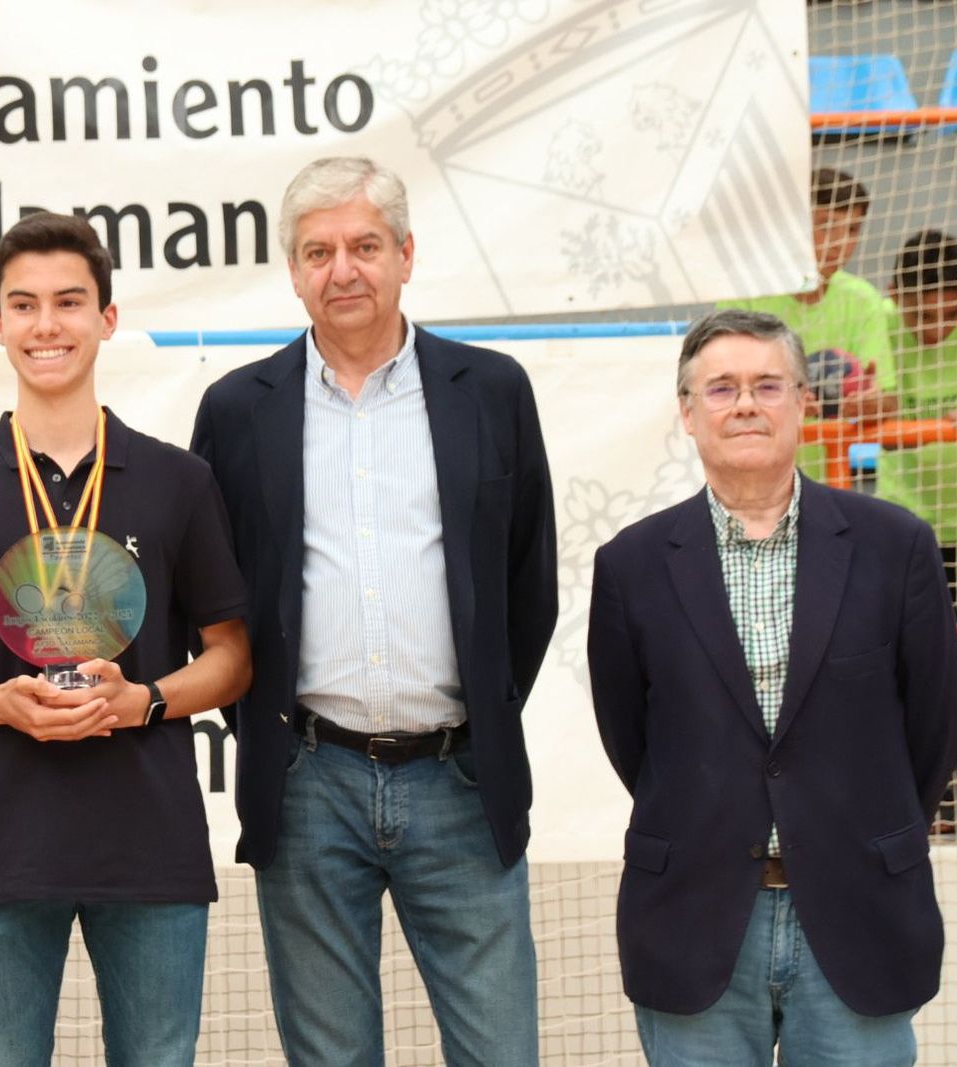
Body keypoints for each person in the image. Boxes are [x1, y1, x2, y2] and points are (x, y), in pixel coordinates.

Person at [191, 156, 557, 1066]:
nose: (342, 270)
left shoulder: (493, 390)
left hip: (462, 779)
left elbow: (530, 583)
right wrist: (272, 732)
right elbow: (219, 601)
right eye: (318, 251)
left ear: (405, 254)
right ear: (293, 270)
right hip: (310, 780)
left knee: (500, 1050)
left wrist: (481, 714)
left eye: (363, 246)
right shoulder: (237, 409)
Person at [0, 212, 252, 1067]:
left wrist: (144, 700)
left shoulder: (179, 483)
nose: (48, 326)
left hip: (150, 848)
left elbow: (232, 655)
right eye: (25, 304)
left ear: (107, 319)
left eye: (70, 302)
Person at [587, 308, 957, 1066]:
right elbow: (633, 738)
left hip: (859, 911)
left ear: (803, 402)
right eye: (721, 389)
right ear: (688, 415)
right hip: (695, 917)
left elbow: (935, 727)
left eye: (767, 384)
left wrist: (852, 828)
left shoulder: (897, 547)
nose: (747, 404)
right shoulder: (630, 564)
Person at [876, 230, 957, 830]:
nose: (935, 323)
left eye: (948, 309)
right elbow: (858, 406)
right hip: (916, 521)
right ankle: (953, 804)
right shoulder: (877, 325)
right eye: (921, 310)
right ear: (895, 295)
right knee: (937, 670)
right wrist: (936, 421)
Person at [719, 168, 891, 480]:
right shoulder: (746, 296)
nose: (840, 243)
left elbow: (887, 400)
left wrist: (870, 402)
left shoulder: (864, 300)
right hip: (751, 476)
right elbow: (720, 391)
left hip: (830, 482)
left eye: (852, 229)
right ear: (793, 227)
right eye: (826, 226)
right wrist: (779, 399)